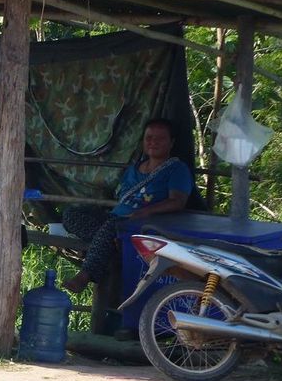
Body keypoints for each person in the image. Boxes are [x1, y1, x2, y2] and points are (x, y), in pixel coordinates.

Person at [61, 118, 194, 294]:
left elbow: (177, 201)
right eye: (149, 138)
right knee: (72, 214)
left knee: (112, 227)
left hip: (146, 224)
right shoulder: (134, 168)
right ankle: (114, 240)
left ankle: (85, 275)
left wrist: (144, 212)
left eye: (160, 138)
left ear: (171, 143)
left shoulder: (177, 169)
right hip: (116, 219)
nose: (153, 142)